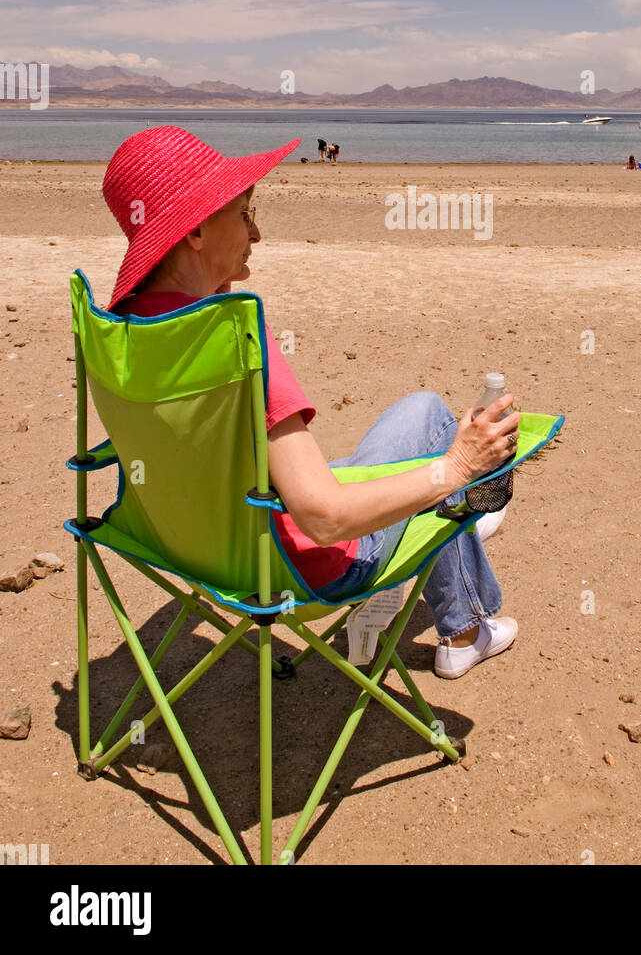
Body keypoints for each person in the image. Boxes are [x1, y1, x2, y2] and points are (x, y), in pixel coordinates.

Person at [102, 127, 519, 679]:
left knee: (410, 449)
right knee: (428, 419)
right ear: (197, 230)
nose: (257, 231)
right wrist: (459, 467)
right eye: (245, 213)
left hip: (200, 547)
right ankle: (464, 627)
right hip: (304, 564)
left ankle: (453, 524)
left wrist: (211, 283)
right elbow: (324, 518)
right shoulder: (236, 344)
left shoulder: (124, 335)